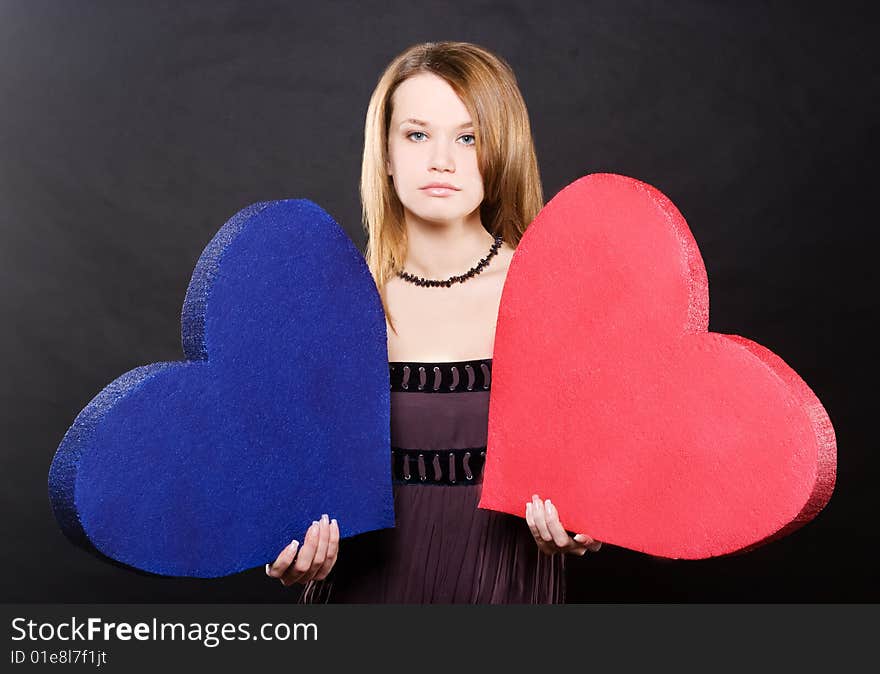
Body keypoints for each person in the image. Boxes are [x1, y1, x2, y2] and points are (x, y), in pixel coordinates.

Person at [265, 41, 602, 603]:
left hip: (505, 589)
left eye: (467, 138)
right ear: (387, 152)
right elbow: (287, 481)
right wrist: (283, 547)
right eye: (417, 134)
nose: (441, 159)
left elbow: (597, 470)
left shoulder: (549, 295)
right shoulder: (331, 303)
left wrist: (586, 525)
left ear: (502, 152)